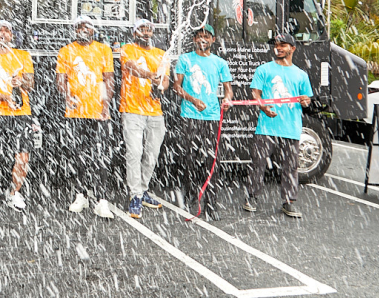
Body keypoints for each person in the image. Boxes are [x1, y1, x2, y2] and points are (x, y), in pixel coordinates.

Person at [244, 33, 312, 218]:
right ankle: (252, 197)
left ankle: (289, 202)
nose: (279, 48)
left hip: (291, 128)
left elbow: (306, 100)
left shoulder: (301, 74)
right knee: (258, 164)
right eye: (276, 44)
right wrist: (263, 107)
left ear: (293, 48)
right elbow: (255, 94)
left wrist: (306, 101)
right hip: (266, 127)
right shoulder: (264, 69)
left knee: (290, 167)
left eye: (283, 45)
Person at [56, 15, 116, 219]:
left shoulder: (103, 49)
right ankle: (80, 195)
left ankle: (102, 200)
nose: (84, 30)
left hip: (99, 112)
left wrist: (106, 105)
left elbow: (108, 79)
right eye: (80, 27)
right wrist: (66, 96)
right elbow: (60, 80)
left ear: (93, 30)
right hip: (76, 112)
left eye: (87, 27)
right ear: (75, 30)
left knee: (101, 156)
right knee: (78, 156)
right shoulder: (66, 51)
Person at [173, 25, 233, 220]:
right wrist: (193, 100)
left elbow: (228, 88)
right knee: (189, 159)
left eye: (206, 36)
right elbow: (176, 87)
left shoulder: (220, 63)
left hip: (212, 117)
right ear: (194, 40)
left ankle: (211, 203)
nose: (203, 39)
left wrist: (227, 99)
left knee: (212, 161)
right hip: (190, 116)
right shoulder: (185, 59)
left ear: (213, 40)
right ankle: (191, 197)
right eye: (199, 36)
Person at [0, 20, 35, 213]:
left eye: (7, 31)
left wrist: (22, 81)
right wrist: (5, 96)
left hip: (21, 113)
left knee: (22, 157)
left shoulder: (23, 56)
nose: (3, 34)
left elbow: (31, 84)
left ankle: (14, 194)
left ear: (12, 35)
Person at [119, 18, 170, 219]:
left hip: (155, 113)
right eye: (141, 29)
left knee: (152, 154)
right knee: (134, 153)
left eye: (149, 30)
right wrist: (151, 75)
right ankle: (135, 196)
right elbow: (131, 67)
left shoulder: (160, 54)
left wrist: (161, 86)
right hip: (132, 110)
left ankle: (142, 189)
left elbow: (165, 81)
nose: (146, 33)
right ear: (134, 34)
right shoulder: (127, 49)